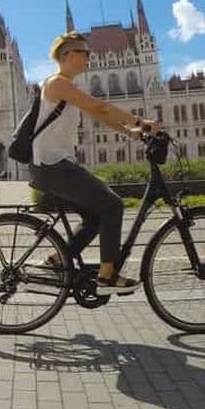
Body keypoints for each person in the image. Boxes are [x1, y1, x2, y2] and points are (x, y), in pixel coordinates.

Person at [31, 31, 157, 296]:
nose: (89, 57)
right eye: (85, 53)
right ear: (69, 55)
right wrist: (139, 121)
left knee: (95, 217)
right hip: (53, 166)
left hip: (54, 166)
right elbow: (99, 107)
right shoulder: (57, 83)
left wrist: (130, 133)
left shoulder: (68, 87)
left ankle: (57, 260)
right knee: (112, 205)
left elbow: (96, 113)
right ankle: (107, 276)